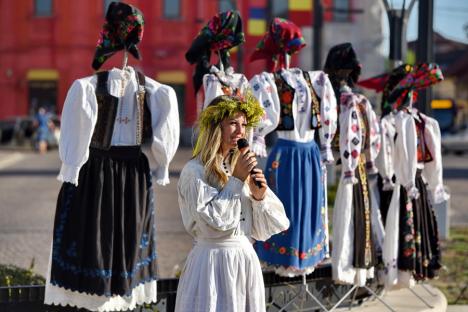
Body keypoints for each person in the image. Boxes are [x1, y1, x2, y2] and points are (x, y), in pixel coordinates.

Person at [44, 2, 180, 311]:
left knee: (114, 239)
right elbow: (162, 142)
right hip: (107, 172)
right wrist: (161, 166)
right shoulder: (92, 89)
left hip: (103, 171)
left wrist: (72, 168)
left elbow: (163, 136)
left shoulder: (147, 92)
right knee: (99, 239)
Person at [175, 94, 289, 312]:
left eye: (244, 125)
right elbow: (215, 222)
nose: (240, 131)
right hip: (211, 264)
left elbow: (274, 225)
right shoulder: (194, 171)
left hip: (244, 261)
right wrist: (236, 181)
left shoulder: (241, 168)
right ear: (215, 127)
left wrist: (259, 197)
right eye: (233, 124)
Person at [248, 18, 337, 277]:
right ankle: (289, 259)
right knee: (283, 206)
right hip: (297, 151)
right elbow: (327, 112)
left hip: (298, 151)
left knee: (305, 204)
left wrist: (259, 136)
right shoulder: (312, 81)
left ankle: (299, 257)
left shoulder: (311, 80)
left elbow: (264, 115)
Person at [324, 43, 381, 287]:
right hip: (355, 167)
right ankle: (354, 271)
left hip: (349, 168)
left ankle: (347, 269)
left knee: (349, 215)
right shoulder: (359, 102)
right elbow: (374, 139)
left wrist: (349, 165)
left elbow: (353, 137)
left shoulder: (344, 102)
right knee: (357, 217)